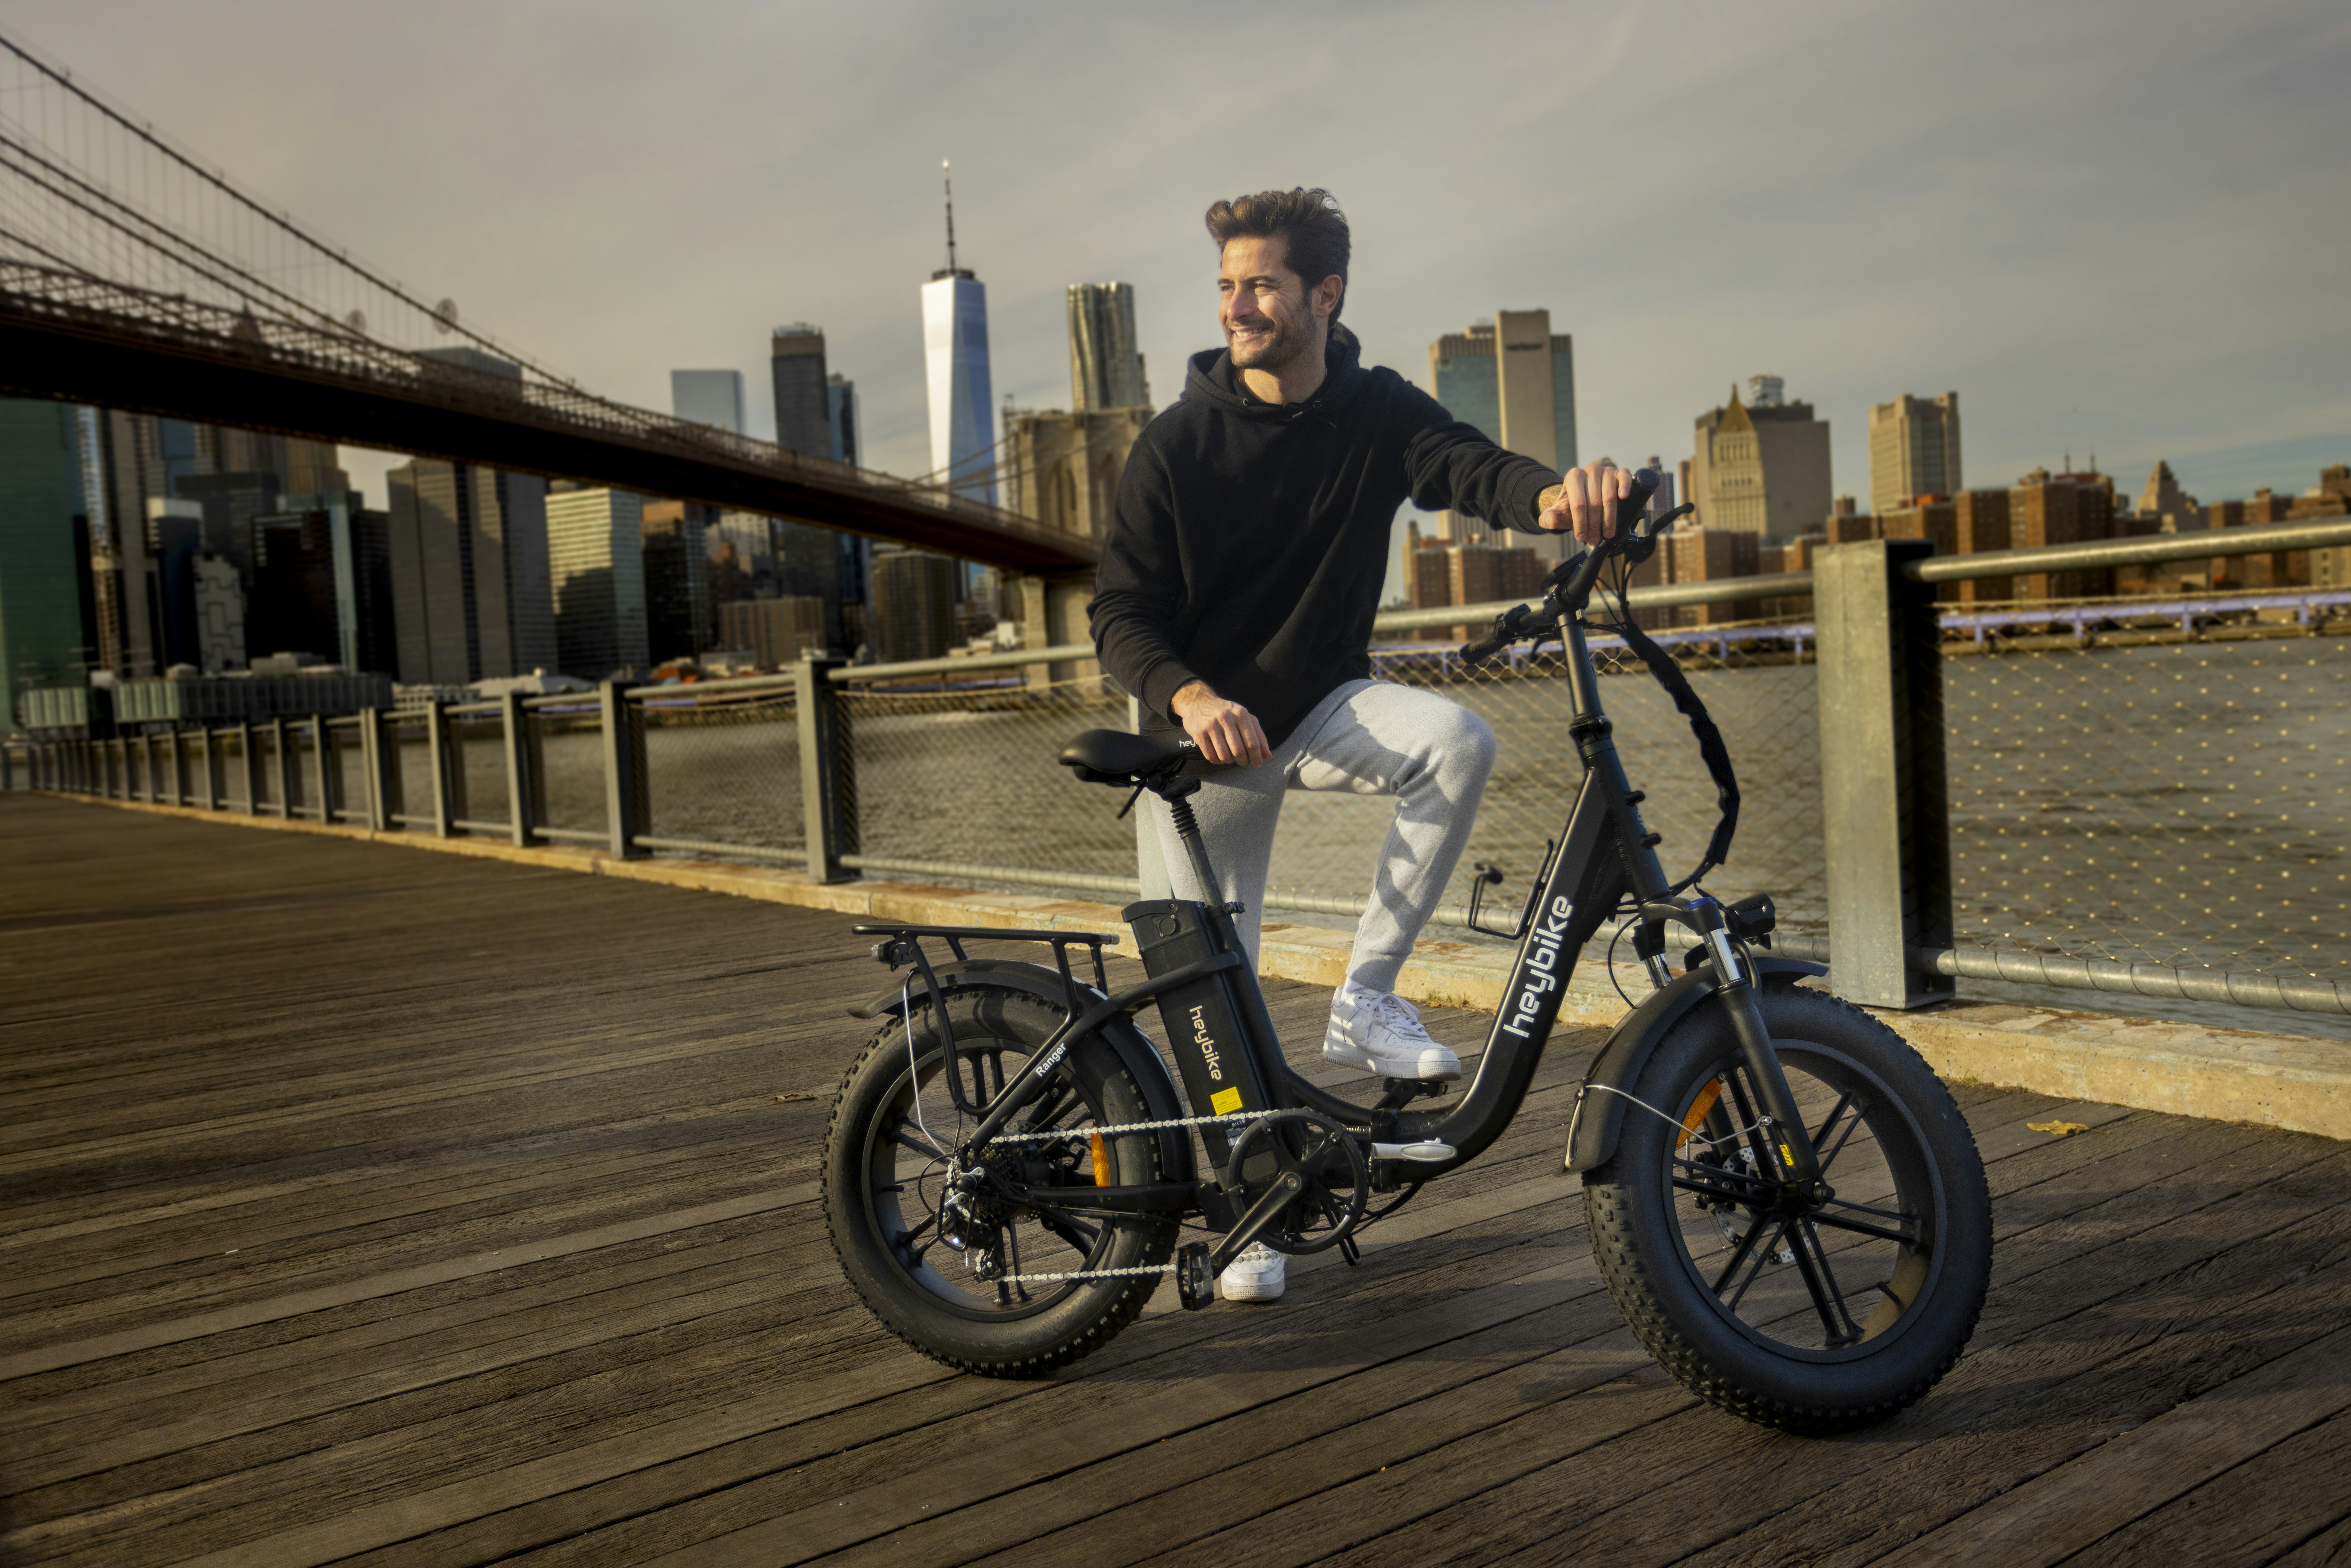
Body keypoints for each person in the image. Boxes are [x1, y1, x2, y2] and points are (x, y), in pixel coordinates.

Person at [1088, 187, 1634, 1303]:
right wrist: (1188, 696)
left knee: (1455, 742)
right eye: (1228, 286)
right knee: (1210, 997)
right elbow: (1119, 616)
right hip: (1202, 751)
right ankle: (1247, 1222)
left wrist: (1564, 499)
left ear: (1324, 297)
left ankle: (1366, 999)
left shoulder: (1376, 411)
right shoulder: (1175, 444)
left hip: (1319, 703)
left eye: (1261, 285)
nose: (1239, 305)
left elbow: (1474, 470)